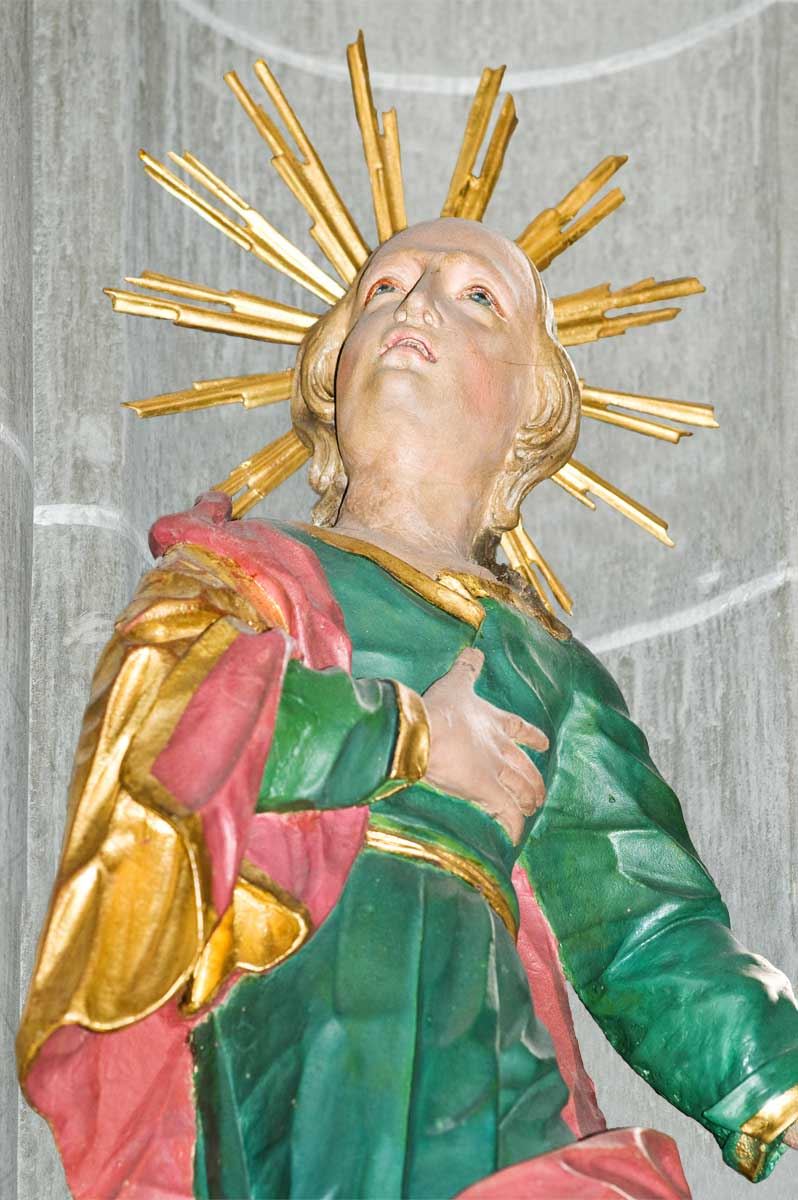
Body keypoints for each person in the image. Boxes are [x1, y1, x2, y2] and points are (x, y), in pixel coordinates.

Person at [17, 218, 798, 1199]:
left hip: (500, 1065)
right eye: (384, 288)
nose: (417, 301)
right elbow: (164, 730)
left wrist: (777, 1074)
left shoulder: (549, 664)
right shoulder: (239, 573)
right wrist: (409, 736)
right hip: (307, 1025)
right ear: (332, 368)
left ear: (529, 406)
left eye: (476, 296)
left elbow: (647, 928)